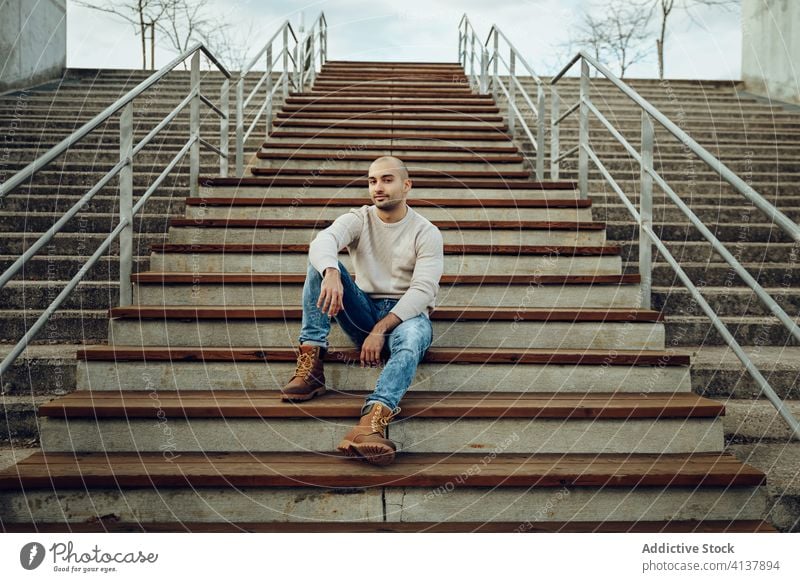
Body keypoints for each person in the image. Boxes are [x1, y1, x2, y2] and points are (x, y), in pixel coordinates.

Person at [281, 156, 444, 466]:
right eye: (372, 181)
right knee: (321, 262)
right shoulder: (359, 218)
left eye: (386, 180)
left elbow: (423, 290)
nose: (377, 188)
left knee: (411, 340)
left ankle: (371, 423)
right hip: (362, 310)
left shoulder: (426, 232)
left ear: (406, 186)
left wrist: (382, 328)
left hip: (405, 316)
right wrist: (331, 271)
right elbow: (323, 241)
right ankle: (312, 364)